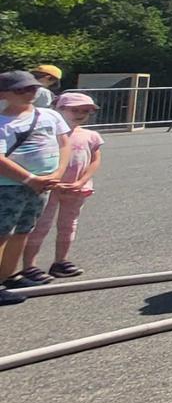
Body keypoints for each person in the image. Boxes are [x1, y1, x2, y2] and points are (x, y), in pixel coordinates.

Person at [0, 71, 72, 304]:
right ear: (4, 94)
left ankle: (9, 274)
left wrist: (58, 172)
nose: (30, 93)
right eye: (21, 90)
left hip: (42, 183)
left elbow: (64, 144)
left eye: (32, 88)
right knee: (2, 233)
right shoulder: (3, 121)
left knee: (23, 230)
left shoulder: (49, 115)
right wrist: (30, 178)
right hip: (9, 184)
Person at [20, 92, 103, 281]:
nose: (80, 114)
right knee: (40, 226)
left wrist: (81, 181)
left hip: (76, 187)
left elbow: (95, 159)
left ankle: (61, 261)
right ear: (58, 110)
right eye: (74, 110)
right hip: (49, 187)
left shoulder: (91, 135)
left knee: (68, 225)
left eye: (85, 111)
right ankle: (29, 266)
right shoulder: (49, 134)